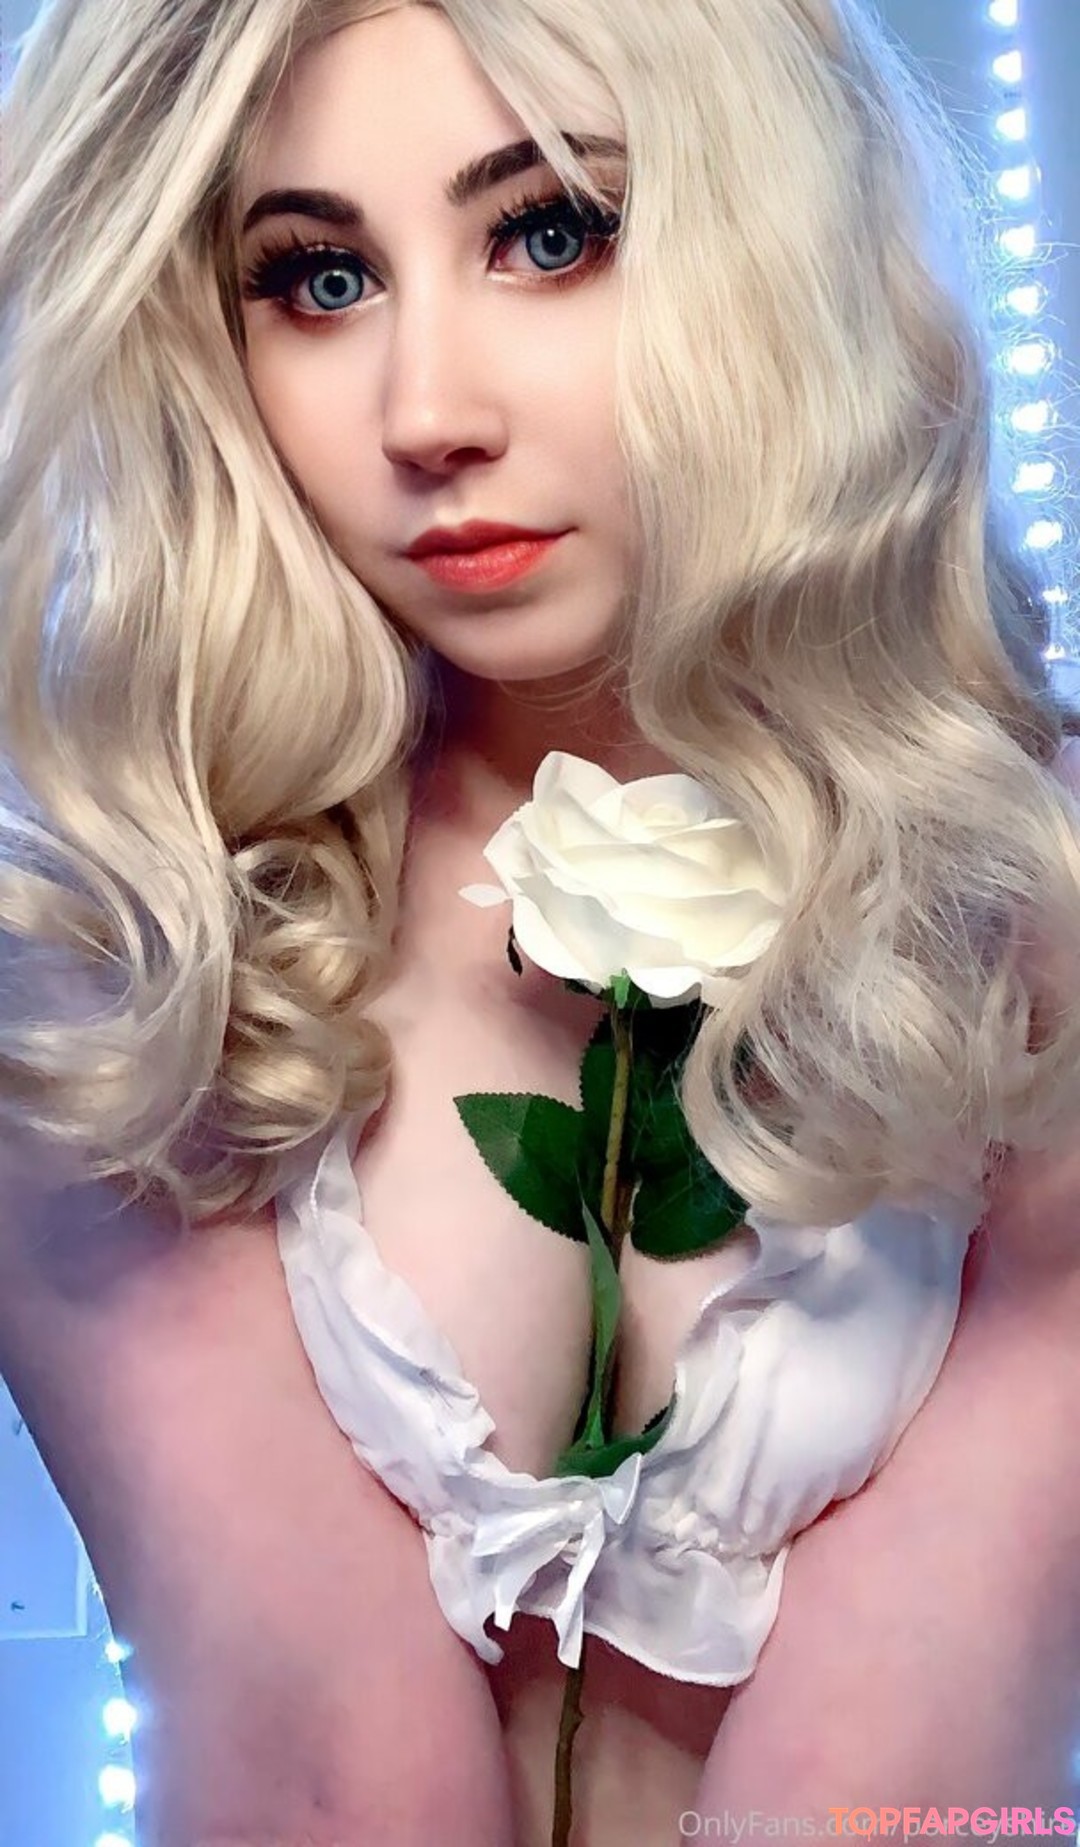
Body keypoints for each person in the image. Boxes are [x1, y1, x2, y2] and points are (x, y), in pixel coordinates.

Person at [0, 0, 1079, 1842]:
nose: (429, 413)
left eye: (553, 233)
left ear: (765, 240)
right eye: (321, 278)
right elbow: (332, 1780)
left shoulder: (1032, 908)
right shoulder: (128, 971)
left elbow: (919, 1776)